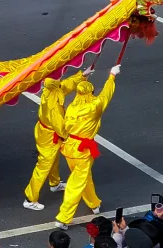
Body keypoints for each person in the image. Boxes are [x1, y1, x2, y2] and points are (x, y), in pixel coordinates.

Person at [55, 65, 121, 229]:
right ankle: (63, 218)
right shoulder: (94, 107)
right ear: (90, 92)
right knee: (76, 183)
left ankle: (94, 203)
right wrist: (111, 76)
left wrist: (82, 77)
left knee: (84, 177)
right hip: (83, 150)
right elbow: (106, 94)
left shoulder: (71, 107)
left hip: (69, 147)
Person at [23, 70, 87, 211]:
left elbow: (64, 86)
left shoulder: (52, 90)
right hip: (49, 136)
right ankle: (30, 197)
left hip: (46, 132)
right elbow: (59, 125)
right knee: (44, 165)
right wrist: (68, 137)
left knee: (53, 159)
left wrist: (81, 76)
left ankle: (55, 183)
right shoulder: (53, 104)